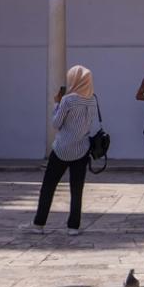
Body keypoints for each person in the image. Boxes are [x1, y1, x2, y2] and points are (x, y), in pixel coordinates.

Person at [23, 65, 101, 236]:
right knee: (77, 189)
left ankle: (39, 224)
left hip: (62, 149)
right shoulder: (93, 99)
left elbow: (56, 123)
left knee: (48, 187)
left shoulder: (68, 100)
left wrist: (57, 103)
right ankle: (73, 226)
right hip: (82, 148)